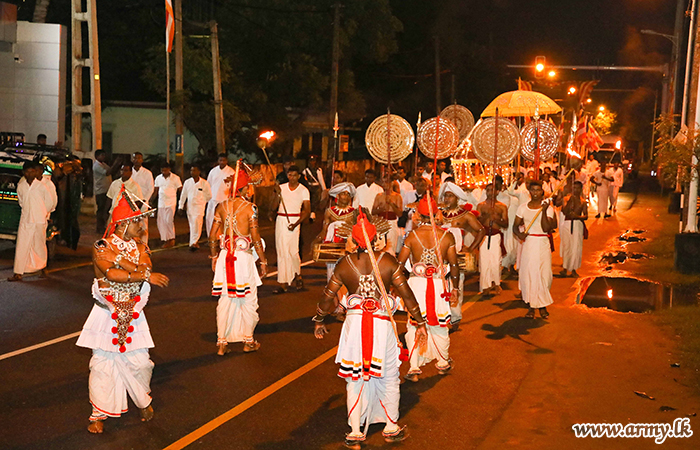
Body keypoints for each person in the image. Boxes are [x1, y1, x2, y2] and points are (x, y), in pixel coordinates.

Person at [313, 212, 427, 447]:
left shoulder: (345, 264)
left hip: (354, 326)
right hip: (381, 324)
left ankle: (355, 431)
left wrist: (319, 319)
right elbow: (406, 294)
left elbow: (328, 295)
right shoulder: (387, 262)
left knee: (355, 378)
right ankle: (391, 426)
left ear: (352, 241)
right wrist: (420, 322)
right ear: (377, 239)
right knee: (388, 375)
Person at [76, 186, 167, 434]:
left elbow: (145, 263)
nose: (142, 227)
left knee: (141, 363)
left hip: (134, 312)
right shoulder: (101, 245)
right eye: (138, 222)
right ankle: (98, 415)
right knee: (102, 364)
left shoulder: (140, 246)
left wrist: (136, 269)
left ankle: (142, 400)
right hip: (106, 314)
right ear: (124, 223)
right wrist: (142, 273)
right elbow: (112, 273)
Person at [398, 196, 460, 382]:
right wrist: (455, 288)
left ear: (418, 215)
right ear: (437, 213)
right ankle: (442, 362)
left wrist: (398, 286)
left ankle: (414, 367)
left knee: (414, 323)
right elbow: (455, 265)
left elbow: (400, 264)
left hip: (416, 285)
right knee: (440, 324)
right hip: (439, 284)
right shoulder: (446, 236)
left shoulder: (412, 236)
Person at [209, 164, 267, 355]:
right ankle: (248, 341)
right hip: (242, 259)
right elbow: (256, 238)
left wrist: (214, 256)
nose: (250, 191)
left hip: (225, 256)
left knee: (225, 299)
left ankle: (222, 342)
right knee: (249, 299)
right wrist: (264, 261)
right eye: (248, 187)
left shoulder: (221, 206)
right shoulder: (251, 209)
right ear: (243, 189)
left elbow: (211, 237)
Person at [438, 181, 484, 329]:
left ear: (457, 198)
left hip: (456, 257)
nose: (447, 199)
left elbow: (480, 230)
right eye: (445, 196)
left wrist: (470, 249)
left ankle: (455, 318)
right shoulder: (438, 214)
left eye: (450, 196)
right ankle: (441, 315)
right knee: (439, 286)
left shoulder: (465, 215)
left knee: (456, 286)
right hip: (439, 256)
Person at [513, 180, 558, 319]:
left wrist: (543, 211)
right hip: (529, 242)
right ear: (529, 191)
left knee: (544, 274)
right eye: (533, 190)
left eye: (538, 190)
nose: (535, 193)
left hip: (543, 242)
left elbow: (546, 228)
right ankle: (532, 306)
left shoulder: (549, 209)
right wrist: (520, 234)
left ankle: (542, 304)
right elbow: (515, 226)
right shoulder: (522, 207)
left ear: (542, 192)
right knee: (529, 273)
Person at [8, 161, 56, 282]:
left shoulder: (42, 186)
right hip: (26, 220)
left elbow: (50, 203)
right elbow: (21, 201)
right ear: (23, 173)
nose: (30, 174)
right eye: (27, 172)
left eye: (32, 171)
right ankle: (18, 273)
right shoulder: (21, 186)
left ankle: (43, 268)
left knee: (39, 245)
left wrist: (45, 214)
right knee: (22, 246)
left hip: (39, 220)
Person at [272, 165, 310, 293]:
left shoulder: (304, 190)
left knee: (293, 251)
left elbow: (307, 210)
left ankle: (297, 275)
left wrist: (296, 223)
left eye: (294, 175)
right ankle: (282, 283)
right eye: (289, 175)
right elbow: (272, 206)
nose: (292, 178)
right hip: (281, 220)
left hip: (295, 220)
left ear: (299, 176)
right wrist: (276, 193)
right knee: (282, 251)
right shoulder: (281, 188)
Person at [314, 182, 356, 281]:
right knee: (332, 272)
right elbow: (325, 229)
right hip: (333, 246)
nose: (346, 196)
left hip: (347, 245)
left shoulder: (354, 212)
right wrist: (317, 241)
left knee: (347, 272)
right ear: (338, 196)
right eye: (343, 193)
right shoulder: (329, 211)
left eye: (348, 194)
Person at [477, 184, 509, 295]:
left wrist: (496, 219)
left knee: (495, 261)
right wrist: (487, 216)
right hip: (484, 236)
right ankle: (485, 286)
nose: (491, 193)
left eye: (493, 190)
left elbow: (506, 224)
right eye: (488, 190)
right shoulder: (481, 206)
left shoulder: (502, 206)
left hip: (495, 236)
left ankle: (496, 283)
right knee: (484, 261)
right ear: (485, 191)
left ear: (498, 192)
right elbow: (477, 223)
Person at [178, 165, 212, 251]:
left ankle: (194, 242)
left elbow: (209, 196)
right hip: (190, 207)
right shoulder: (187, 182)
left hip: (199, 207)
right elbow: (183, 195)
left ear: (199, 172)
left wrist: (202, 201)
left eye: (194, 171)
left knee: (197, 223)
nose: (193, 172)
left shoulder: (204, 183)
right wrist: (180, 206)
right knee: (192, 224)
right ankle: (193, 242)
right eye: (191, 171)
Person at [558, 181, 588, 278]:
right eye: (574, 188)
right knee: (567, 246)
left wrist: (578, 217)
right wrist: (570, 201)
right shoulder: (567, 199)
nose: (576, 190)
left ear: (581, 189)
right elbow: (564, 212)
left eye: (578, 188)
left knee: (576, 247)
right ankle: (565, 268)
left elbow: (586, 216)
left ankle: (574, 269)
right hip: (567, 224)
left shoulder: (583, 201)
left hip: (577, 225)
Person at [152, 163, 182, 248]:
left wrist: (182, 202)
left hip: (171, 202)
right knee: (161, 222)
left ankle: (171, 239)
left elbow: (180, 190)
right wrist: (151, 201)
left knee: (169, 221)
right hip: (161, 203)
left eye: (165, 170)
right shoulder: (158, 178)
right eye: (162, 170)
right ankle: (165, 239)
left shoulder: (175, 178)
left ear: (169, 169)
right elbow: (156, 190)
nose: (163, 172)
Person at [205, 154, 235, 236]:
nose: (222, 162)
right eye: (220, 160)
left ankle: (222, 239)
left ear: (226, 161)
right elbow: (208, 185)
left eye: (224, 160)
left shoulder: (231, 172)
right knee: (210, 219)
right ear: (218, 161)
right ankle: (211, 238)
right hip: (212, 199)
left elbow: (234, 187)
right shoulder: (213, 171)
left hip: (224, 200)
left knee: (223, 220)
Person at [372, 178, 403, 255]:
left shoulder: (397, 196)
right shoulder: (379, 196)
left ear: (392, 183)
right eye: (384, 182)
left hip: (392, 222)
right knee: (380, 245)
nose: (385, 184)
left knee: (391, 246)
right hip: (381, 222)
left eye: (387, 182)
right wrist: (381, 209)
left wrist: (392, 204)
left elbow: (400, 214)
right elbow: (373, 211)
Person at [131, 153, 155, 241]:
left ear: (142, 160)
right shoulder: (129, 172)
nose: (137, 160)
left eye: (139, 158)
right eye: (135, 158)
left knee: (143, 225)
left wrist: (143, 201)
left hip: (143, 203)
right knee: (131, 225)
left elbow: (151, 189)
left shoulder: (147, 173)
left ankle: (144, 245)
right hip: (131, 203)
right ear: (132, 160)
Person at [93, 150, 113, 235]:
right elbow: (107, 172)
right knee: (101, 210)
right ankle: (99, 227)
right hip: (100, 191)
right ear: (97, 156)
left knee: (105, 209)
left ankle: (103, 226)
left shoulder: (103, 164)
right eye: (102, 155)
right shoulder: (96, 166)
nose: (103, 157)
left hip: (106, 190)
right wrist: (116, 163)